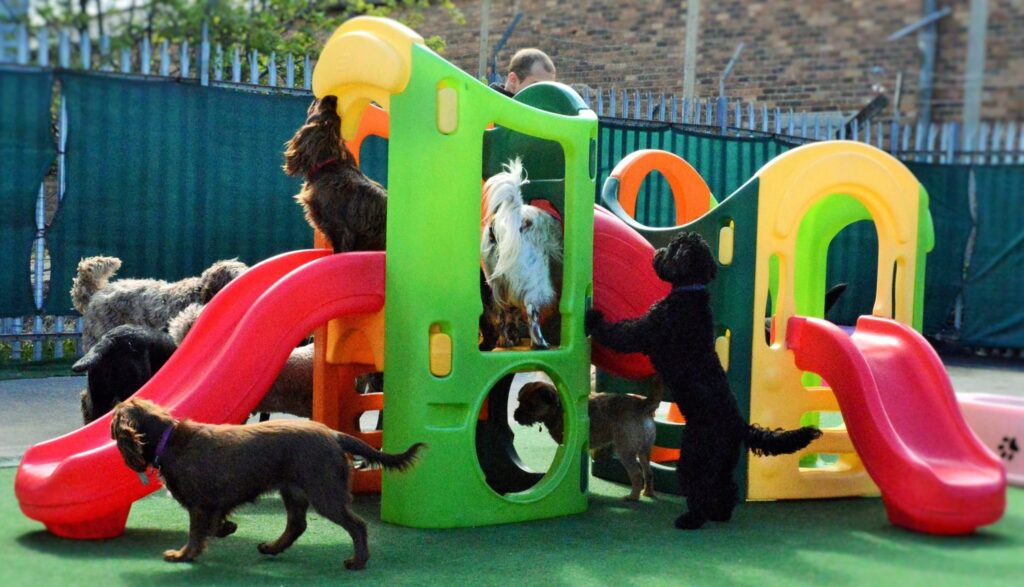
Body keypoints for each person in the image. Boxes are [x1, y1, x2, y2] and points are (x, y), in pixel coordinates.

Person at [489, 48, 556, 97]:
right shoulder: (488, 105)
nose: (544, 96)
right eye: (537, 88)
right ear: (513, 80)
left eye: (548, 91)